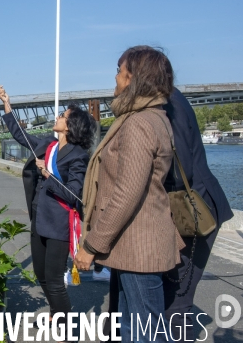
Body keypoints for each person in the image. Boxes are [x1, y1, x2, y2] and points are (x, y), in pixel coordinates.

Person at [75, 46, 184, 342]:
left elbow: (126, 193)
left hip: (139, 248)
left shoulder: (138, 123)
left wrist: (91, 245)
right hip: (134, 247)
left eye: (120, 71)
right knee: (134, 331)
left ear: (133, 78)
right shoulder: (154, 117)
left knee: (143, 334)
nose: (115, 77)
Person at [0, 86, 95, 339]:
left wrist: (48, 176)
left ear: (71, 125)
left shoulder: (79, 156)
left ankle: (66, 329)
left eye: (63, 116)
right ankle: (56, 311)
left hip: (59, 224)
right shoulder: (49, 145)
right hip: (39, 220)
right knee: (40, 274)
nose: (58, 117)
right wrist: (7, 104)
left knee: (54, 280)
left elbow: (74, 194)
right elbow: (22, 136)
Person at [161, 88, 234, 338]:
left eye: (122, 71)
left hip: (192, 213)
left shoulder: (170, 104)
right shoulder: (170, 100)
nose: (117, 77)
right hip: (188, 209)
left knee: (176, 300)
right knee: (171, 298)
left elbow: (181, 168)